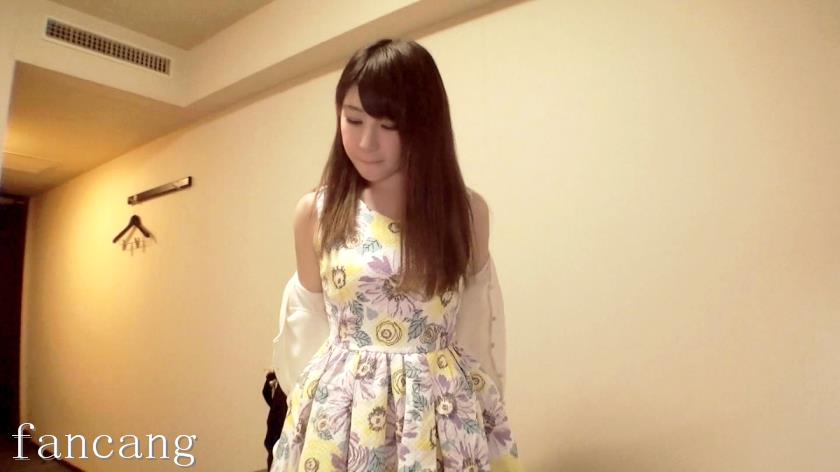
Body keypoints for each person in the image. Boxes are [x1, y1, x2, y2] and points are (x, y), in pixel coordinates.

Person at [270, 38, 521, 472]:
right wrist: (300, 408)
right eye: (353, 119)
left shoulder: (465, 212)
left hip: (440, 415)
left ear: (425, 125)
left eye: (389, 125)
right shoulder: (316, 212)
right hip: (342, 415)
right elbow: (305, 325)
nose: (366, 141)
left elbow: (478, 324)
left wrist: (487, 408)